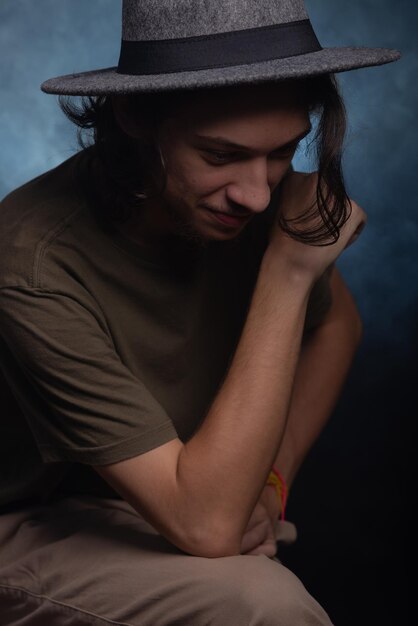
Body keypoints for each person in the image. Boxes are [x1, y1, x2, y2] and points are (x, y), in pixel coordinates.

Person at [0, 1, 400, 624]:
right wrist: (289, 272)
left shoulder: (248, 203)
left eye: (284, 152)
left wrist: (272, 483)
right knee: (263, 608)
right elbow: (208, 525)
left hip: (171, 491)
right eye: (219, 155)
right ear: (135, 117)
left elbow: (337, 326)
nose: (259, 194)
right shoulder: (30, 262)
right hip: (25, 519)